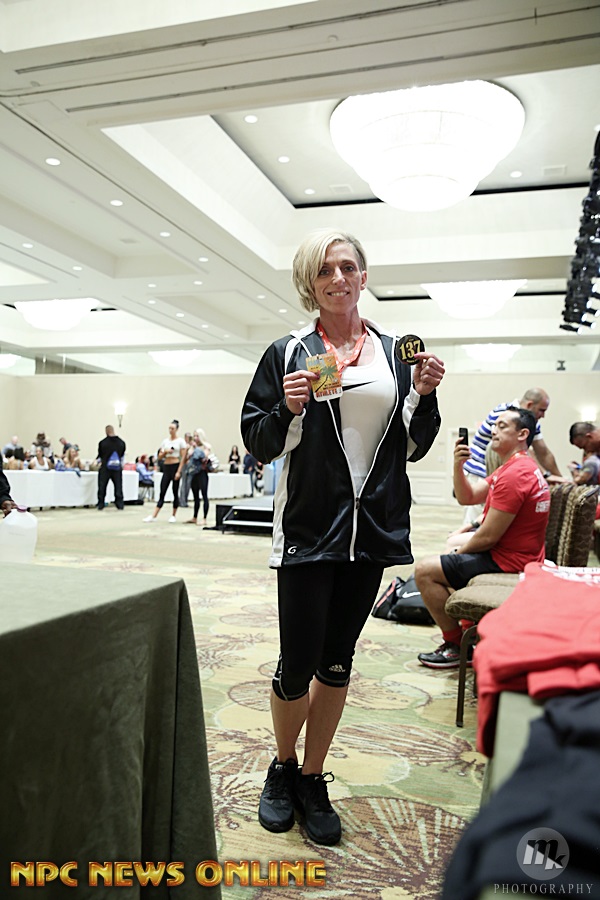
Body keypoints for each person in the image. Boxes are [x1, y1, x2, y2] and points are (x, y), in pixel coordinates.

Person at [241, 228, 444, 846]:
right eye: (325, 269)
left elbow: (414, 444)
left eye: (348, 267)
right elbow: (257, 441)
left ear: (363, 276)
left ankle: (311, 775)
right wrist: (288, 408)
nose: (338, 278)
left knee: (337, 660)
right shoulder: (289, 351)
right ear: (310, 282)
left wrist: (426, 397)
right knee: (297, 662)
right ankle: (282, 766)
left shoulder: (396, 353)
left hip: (371, 529)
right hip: (309, 527)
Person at [415, 407, 550, 670]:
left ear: (523, 434)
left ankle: (457, 647)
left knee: (425, 571)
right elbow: (467, 497)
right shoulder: (515, 467)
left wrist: (457, 554)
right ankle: (467, 630)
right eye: (494, 426)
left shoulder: (516, 474)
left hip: (509, 561)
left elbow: (488, 537)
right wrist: (458, 466)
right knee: (447, 561)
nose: (493, 431)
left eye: (502, 426)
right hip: (514, 555)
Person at [462, 388, 561, 523]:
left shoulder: (530, 421)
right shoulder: (504, 414)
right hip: (481, 472)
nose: (543, 415)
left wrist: (559, 478)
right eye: (541, 410)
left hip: (502, 473)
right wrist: (546, 475)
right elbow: (525, 450)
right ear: (530, 405)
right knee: (478, 519)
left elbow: (543, 452)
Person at [143, 420, 187, 523]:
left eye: (173, 429)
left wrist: (179, 471)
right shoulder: (165, 441)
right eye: (169, 428)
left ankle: (173, 514)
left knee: (175, 490)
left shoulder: (180, 441)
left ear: (177, 429)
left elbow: (183, 457)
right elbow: (159, 456)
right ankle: (154, 515)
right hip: (167, 466)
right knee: (162, 490)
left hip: (175, 465)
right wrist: (165, 452)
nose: (170, 430)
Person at [185, 430, 212, 527]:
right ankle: (195, 517)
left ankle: (204, 518)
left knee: (204, 495)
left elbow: (204, 456)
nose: (195, 438)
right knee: (195, 496)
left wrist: (195, 448)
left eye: (197, 436)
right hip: (194, 473)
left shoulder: (206, 446)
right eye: (194, 436)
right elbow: (187, 458)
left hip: (202, 473)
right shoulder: (192, 447)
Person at [97, 425, 126, 510]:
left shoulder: (103, 443)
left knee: (102, 486)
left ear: (106, 431)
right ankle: (119, 504)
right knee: (118, 486)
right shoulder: (121, 443)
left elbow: (100, 455)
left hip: (105, 467)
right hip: (117, 467)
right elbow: (122, 455)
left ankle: (101, 504)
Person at [178, 432, 194, 508]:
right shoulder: (184, 445)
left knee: (188, 484)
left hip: (190, 465)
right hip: (184, 465)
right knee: (184, 483)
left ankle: (185, 500)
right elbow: (183, 456)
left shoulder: (192, 445)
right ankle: (182, 501)